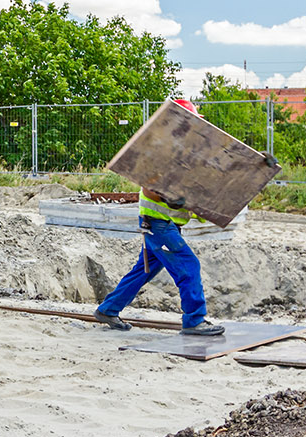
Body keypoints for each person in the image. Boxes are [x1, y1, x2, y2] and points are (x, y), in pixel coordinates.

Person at [93, 98, 222, 337]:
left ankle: (108, 309)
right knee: (188, 265)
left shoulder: (183, 154)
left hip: (164, 224)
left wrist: (257, 167)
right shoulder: (162, 151)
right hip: (158, 225)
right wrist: (170, 199)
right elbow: (148, 187)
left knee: (143, 271)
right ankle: (194, 320)